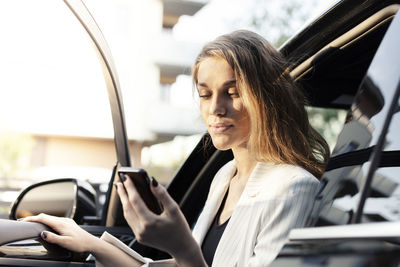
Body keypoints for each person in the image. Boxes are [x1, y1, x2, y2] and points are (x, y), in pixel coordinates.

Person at [24, 30, 330, 266]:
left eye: (232, 92)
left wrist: (182, 245)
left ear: (267, 98)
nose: (216, 108)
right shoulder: (226, 176)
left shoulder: (294, 189)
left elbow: (188, 259)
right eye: (205, 94)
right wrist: (91, 243)